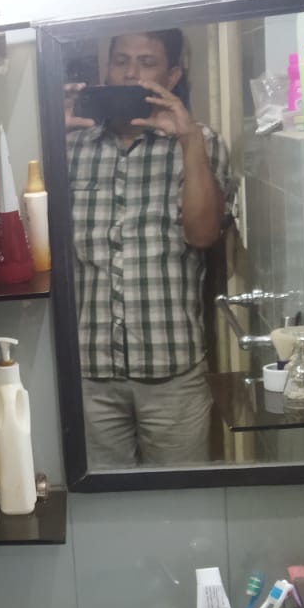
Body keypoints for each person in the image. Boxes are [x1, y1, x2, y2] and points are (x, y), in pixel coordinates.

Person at [65, 30, 234, 468]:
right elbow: (36, 245)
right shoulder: (70, 145)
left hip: (172, 370)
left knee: (183, 502)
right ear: (105, 69)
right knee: (103, 501)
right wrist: (46, 134)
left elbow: (203, 235)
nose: (130, 73)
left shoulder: (201, 142)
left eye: (146, 63)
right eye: (120, 60)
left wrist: (189, 141)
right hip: (89, 372)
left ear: (172, 76)